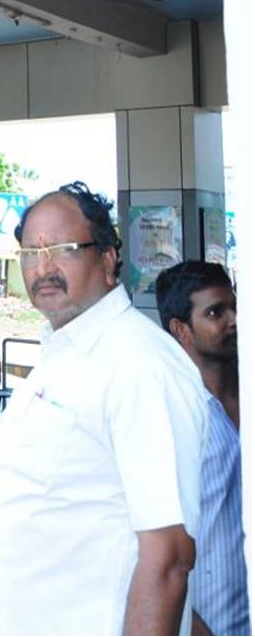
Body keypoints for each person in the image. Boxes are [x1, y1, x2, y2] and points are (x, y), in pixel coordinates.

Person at [0, 183, 206, 636]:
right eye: (31, 253)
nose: (43, 268)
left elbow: (168, 558)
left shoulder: (139, 364)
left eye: (63, 250)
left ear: (108, 258)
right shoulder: (65, 350)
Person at [155, 261, 247, 636]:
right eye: (215, 313)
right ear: (181, 330)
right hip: (209, 622)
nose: (234, 321)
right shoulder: (170, 415)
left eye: (235, 307)